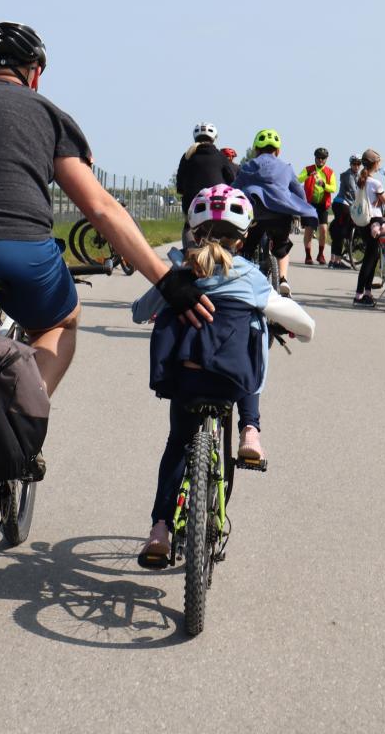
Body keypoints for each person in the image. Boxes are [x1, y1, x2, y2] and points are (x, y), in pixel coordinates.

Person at [0, 21, 214, 510]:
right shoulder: (47, 114)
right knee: (61, 322)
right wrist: (168, 280)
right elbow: (100, 208)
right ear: (35, 73)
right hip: (22, 250)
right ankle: (14, 421)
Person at [132, 185, 315, 567]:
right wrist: (293, 328)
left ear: (194, 232)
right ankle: (250, 429)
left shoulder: (177, 273)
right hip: (232, 379)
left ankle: (160, 529)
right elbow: (305, 324)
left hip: (184, 379)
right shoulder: (251, 276)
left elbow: (138, 312)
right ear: (244, 238)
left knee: (178, 442)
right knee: (254, 335)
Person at [234, 128, 314, 298]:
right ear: (278, 151)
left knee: (247, 248)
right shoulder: (286, 168)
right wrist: (303, 210)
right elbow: (299, 191)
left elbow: (234, 189)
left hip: (255, 216)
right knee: (281, 247)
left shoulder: (248, 166)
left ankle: (243, 280)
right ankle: (283, 279)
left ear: (256, 150)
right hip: (281, 215)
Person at [176, 123, 235, 247]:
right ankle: (223, 251)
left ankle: (189, 251)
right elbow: (231, 179)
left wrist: (184, 189)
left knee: (188, 227)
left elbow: (180, 183)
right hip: (217, 202)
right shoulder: (220, 156)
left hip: (192, 203)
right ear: (214, 138)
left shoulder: (187, 156)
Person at [353, 149, 385, 306]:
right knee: (370, 259)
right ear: (375, 163)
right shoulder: (375, 183)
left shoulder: (362, 180)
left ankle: (367, 292)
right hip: (375, 222)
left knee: (373, 256)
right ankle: (359, 295)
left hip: (364, 222)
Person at [298, 147, 337, 265]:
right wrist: (308, 174)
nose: (320, 160)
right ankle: (308, 255)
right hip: (309, 204)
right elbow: (298, 180)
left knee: (323, 229)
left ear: (326, 159)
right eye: (318, 158)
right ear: (315, 158)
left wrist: (324, 185)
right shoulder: (308, 169)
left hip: (323, 204)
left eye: (323, 158)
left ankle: (320, 254)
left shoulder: (330, 172)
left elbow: (333, 188)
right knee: (309, 230)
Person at [328, 154, 361, 268]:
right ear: (350, 164)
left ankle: (334, 260)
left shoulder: (357, 175)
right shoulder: (348, 175)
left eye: (358, 164)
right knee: (341, 232)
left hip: (346, 204)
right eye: (354, 164)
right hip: (341, 204)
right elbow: (353, 191)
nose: (356, 166)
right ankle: (336, 261)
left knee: (339, 231)